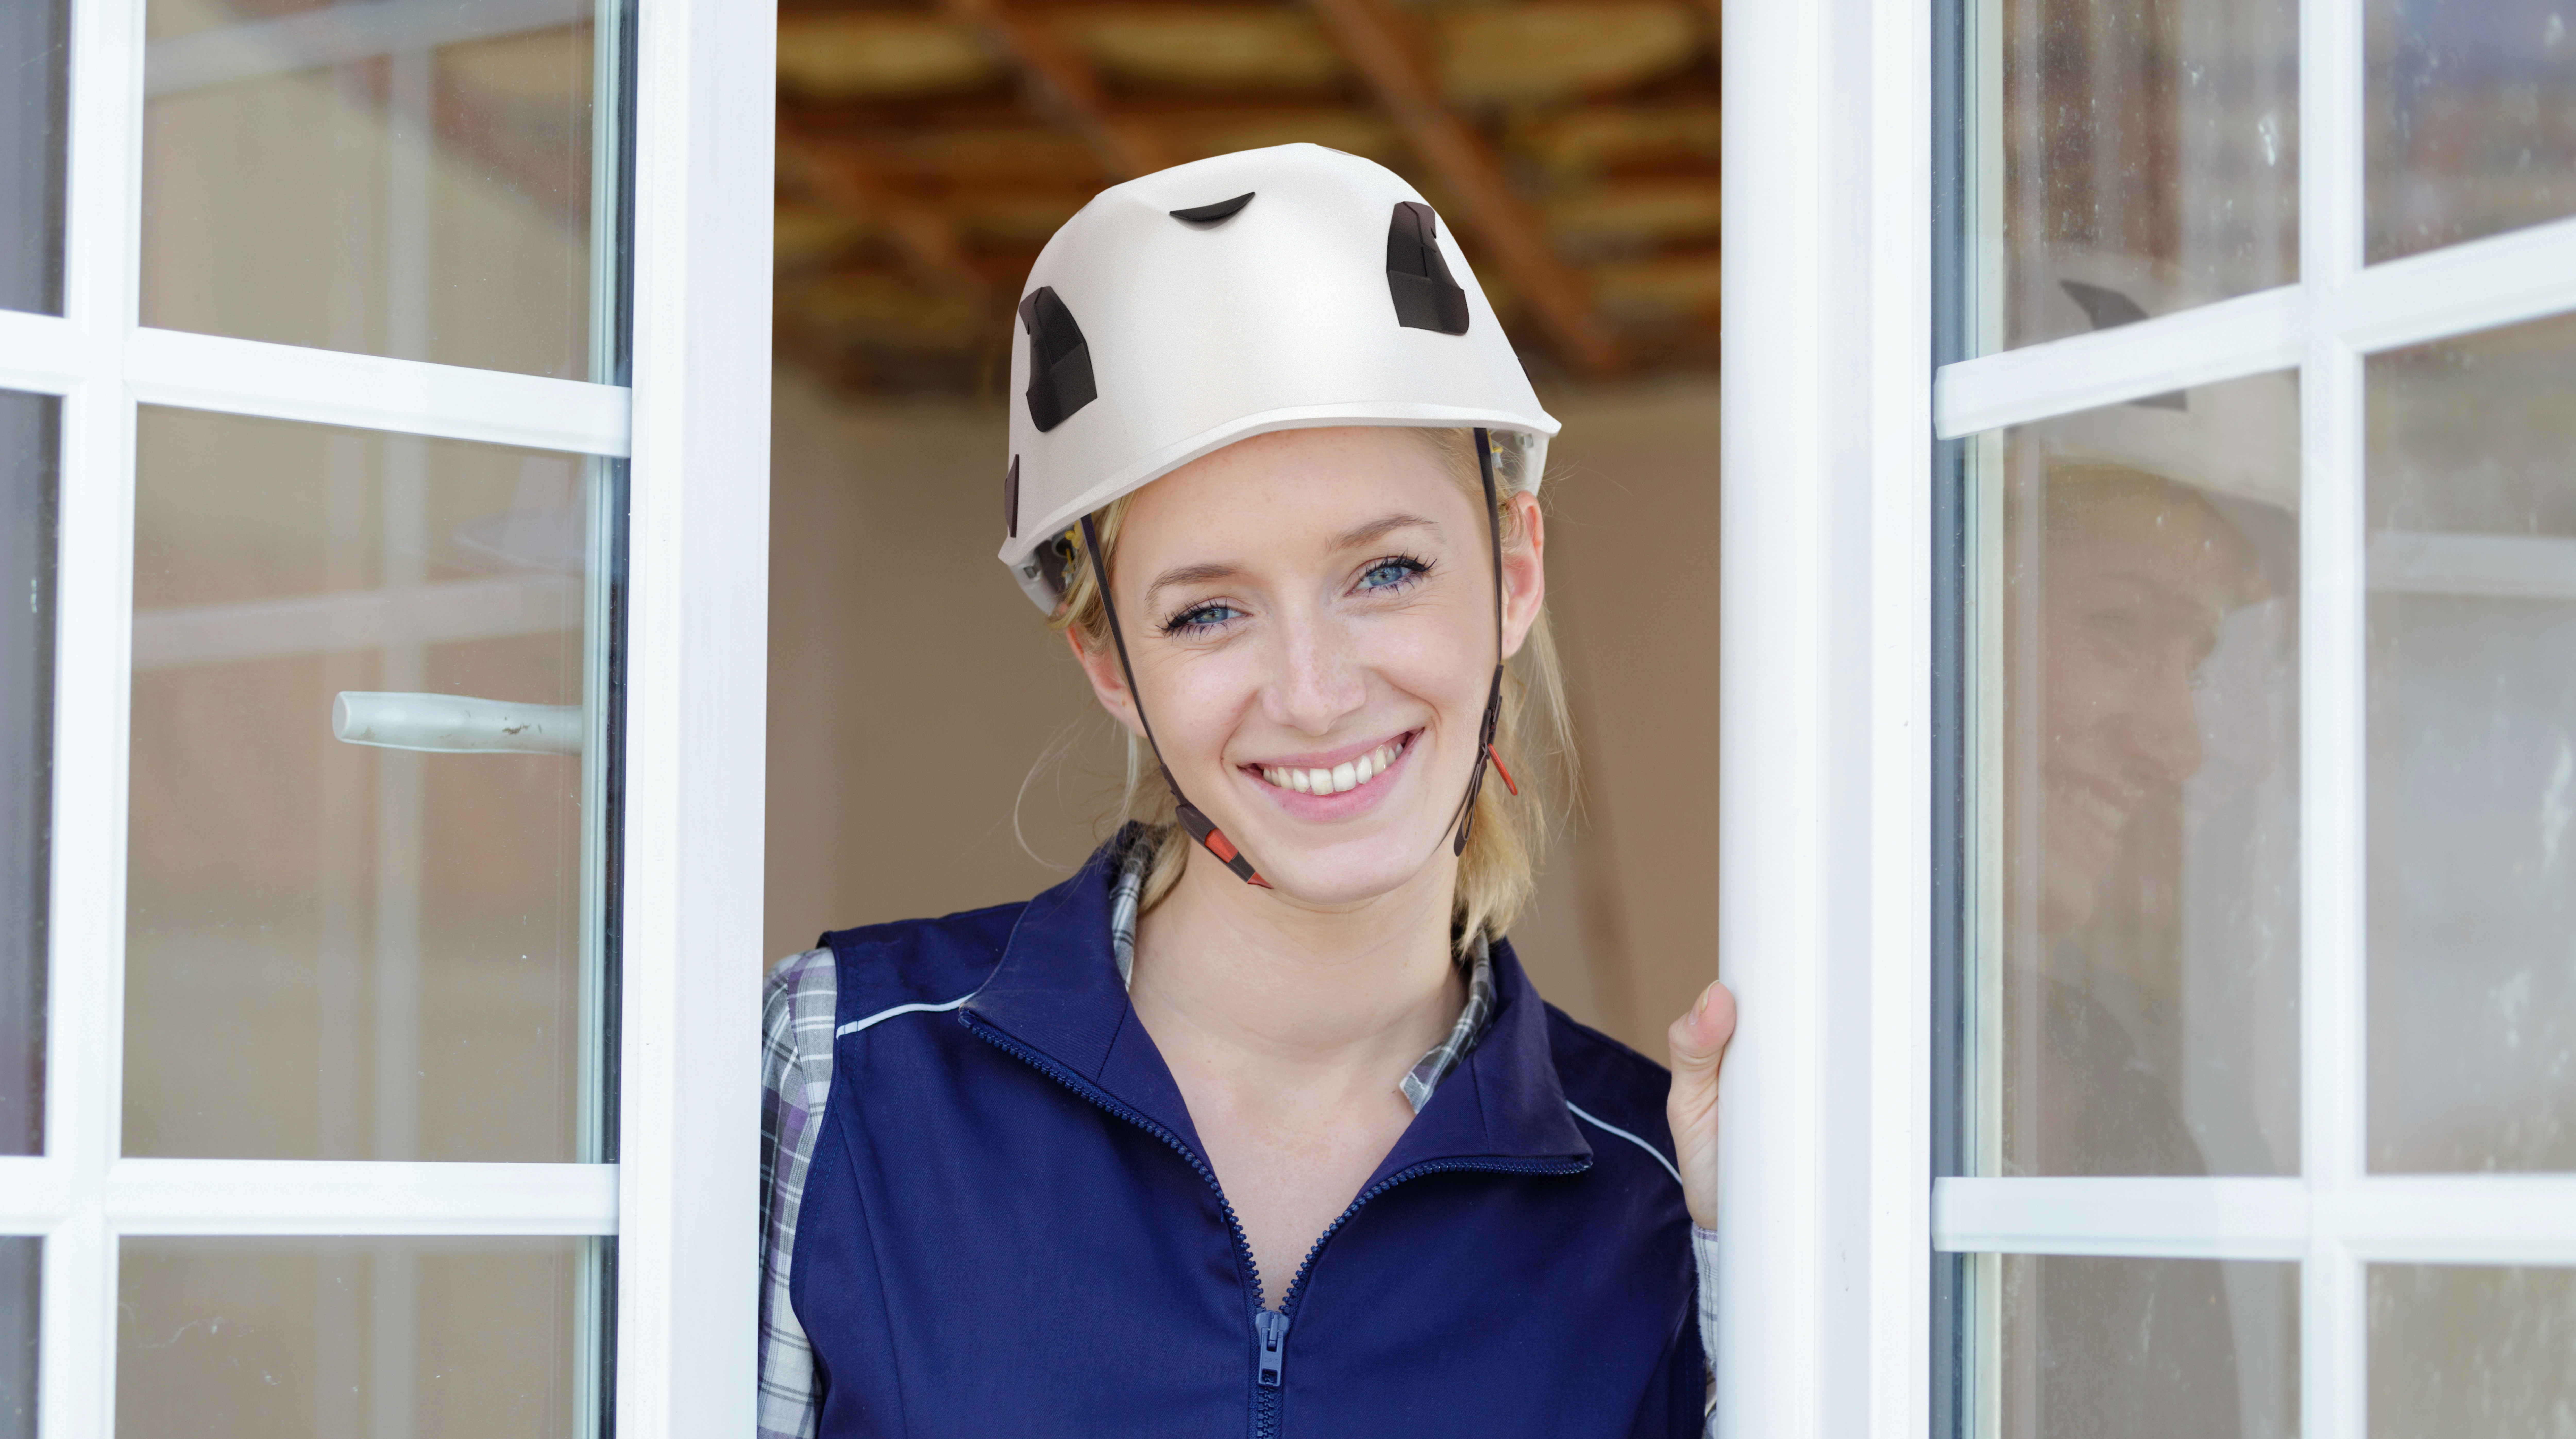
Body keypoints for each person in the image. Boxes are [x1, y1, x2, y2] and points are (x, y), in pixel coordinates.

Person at [757, 144, 1736, 1438]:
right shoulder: (844, 1071)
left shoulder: (1665, 1192)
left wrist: (1764, 1283)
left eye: (1385, 572)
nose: (1314, 691)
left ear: (1511, 571)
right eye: (1209, 610)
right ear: (1106, 655)